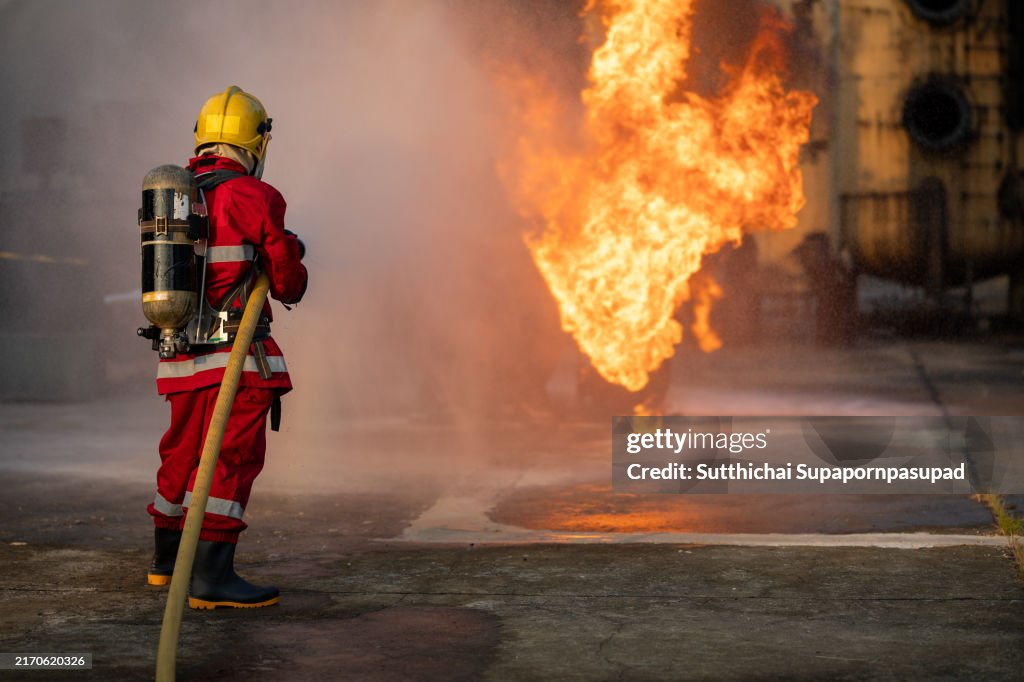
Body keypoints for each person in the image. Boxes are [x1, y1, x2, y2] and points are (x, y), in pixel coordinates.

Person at [145, 85, 308, 610]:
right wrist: (290, 252)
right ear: (255, 141)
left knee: (181, 455)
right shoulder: (256, 196)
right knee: (229, 459)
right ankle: (212, 576)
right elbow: (287, 284)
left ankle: (166, 563)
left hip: (180, 358)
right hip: (234, 360)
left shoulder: (178, 192)